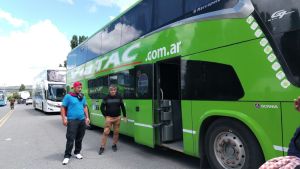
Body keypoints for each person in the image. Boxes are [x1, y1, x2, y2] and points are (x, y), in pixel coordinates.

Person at [60, 81, 90, 165]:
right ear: (74, 87)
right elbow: (63, 108)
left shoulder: (82, 96)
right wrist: (64, 119)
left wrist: (87, 117)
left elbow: (85, 107)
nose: (80, 89)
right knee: (70, 138)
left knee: (80, 138)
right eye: (78, 87)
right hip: (72, 120)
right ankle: (67, 156)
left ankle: (77, 152)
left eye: (81, 87)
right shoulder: (68, 96)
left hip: (82, 120)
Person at [99, 84, 127, 155]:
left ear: (116, 90)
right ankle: (102, 147)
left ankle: (114, 145)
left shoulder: (119, 97)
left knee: (116, 132)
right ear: (109, 90)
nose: (113, 91)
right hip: (109, 118)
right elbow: (101, 108)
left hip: (117, 118)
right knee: (106, 132)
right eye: (111, 90)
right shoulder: (106, 98)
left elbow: (122, 106)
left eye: (114, 90)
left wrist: (124, 116)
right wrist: (106, 116)